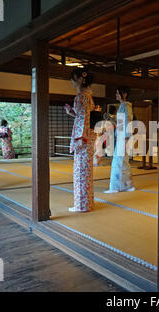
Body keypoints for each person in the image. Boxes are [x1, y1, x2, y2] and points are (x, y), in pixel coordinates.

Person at [65, 68, 95, 212]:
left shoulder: (81, 97)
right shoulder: (88, 96)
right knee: (86, 171)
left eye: (73, 78)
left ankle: (81, 205)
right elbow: (83, 117)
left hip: (82, 139)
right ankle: (87, 203)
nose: (71, 81)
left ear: (81, 80)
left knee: (80, 171)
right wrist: (72, 112)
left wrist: (78, 139)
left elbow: (83, 119)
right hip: (88, 137)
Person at [104, 86, 135, 193]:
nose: (116, 95)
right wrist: (112, 119)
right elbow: (121, 123)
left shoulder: (126, 106)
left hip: (124, 137)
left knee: (118, 161)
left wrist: (126, 136)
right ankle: (128, 185)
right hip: (123, 136)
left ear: (124, 94)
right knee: (123, 162)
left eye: (118, 93)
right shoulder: (123, 106)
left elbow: (128, 121)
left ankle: (115, 187)